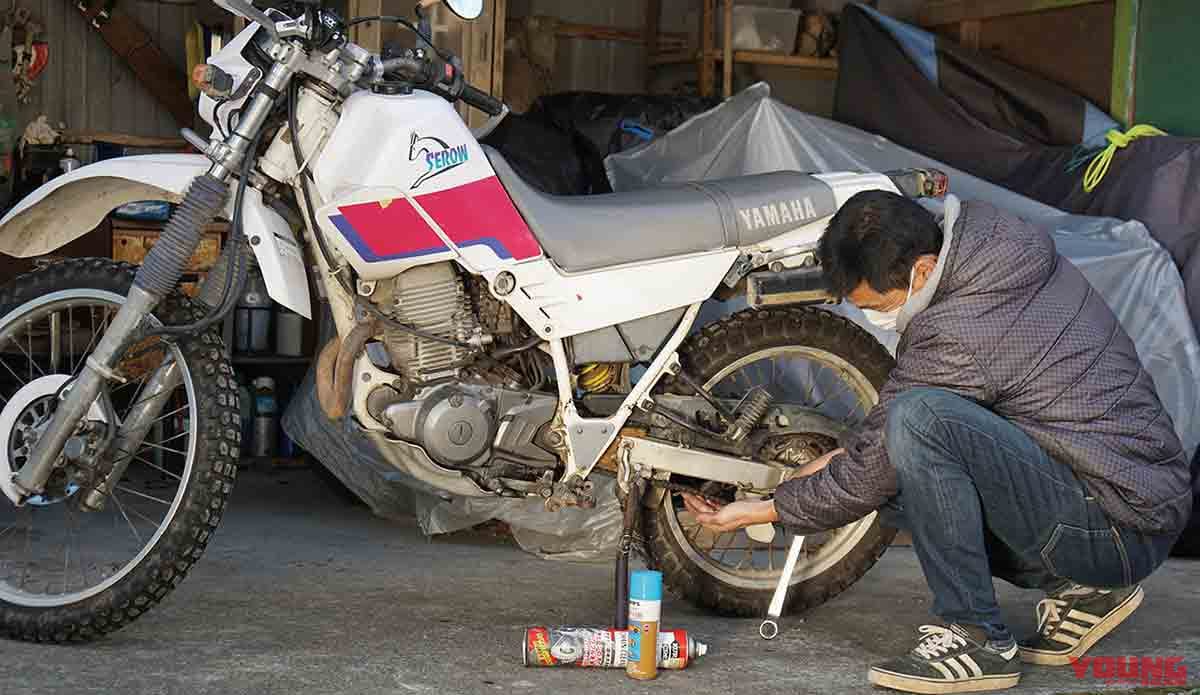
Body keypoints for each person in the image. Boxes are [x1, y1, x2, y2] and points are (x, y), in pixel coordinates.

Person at [682, 190, 1193, 694]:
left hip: (1120, 525)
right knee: (898, 456)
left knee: (916, 422)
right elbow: (877, 453)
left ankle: (977, 640)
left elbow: (883, 455)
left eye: (875, 306)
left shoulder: (960, 328)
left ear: (923, 270)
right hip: (1119, 499)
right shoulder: (986, 248)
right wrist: (824, 469)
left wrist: (765, 511)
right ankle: (1084, 590)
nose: (875, 319)